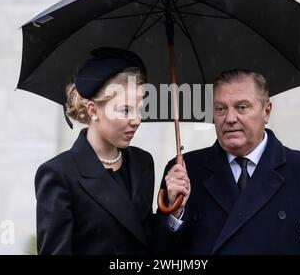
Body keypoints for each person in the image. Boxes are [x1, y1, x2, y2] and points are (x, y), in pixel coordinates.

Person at [161, 69, 300, 254]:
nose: (230, 119)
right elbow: (162, 255)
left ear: (267, 111)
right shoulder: (184, 170)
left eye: (242, 107)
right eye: (220, 109)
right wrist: (176, 213)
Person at [35, 47, 189, 254]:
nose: (136, 120)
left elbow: (149, 244)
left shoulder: (142, 163)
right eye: (125, 110)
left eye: (140, 110)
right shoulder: (59, 174)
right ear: (93, 110)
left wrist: (173, 209)